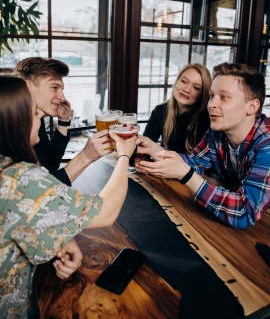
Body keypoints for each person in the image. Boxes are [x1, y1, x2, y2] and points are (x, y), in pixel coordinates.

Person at [0, 74, 136, 318]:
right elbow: (105, 212)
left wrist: (61, 237)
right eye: (33, 113)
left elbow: (21, 219)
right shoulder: (20, 179)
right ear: (13, 122)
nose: (40, 116)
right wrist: (124, 155)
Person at [135, 62, 270, 229]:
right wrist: (154, 150)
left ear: (252, 106)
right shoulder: (217, 133)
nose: (212, 104)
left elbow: (244, 212)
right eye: (212, 96)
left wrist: (187, 176)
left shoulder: (267, 146)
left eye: (224, 97)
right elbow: (192, 162)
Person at [14, 57, 114, 186]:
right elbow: (35, 191)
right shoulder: (11, 127)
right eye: (54, 87)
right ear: (28, 86)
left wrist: (63, 121)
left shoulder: (35, 120)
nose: (62, 97)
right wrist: (85, 157)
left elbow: (50, 164)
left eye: (62, 90)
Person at [143, 63, 212, 153]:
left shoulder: (207, 118)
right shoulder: (160, 111)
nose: (186, 89)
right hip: (163, 164)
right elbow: (145, 145)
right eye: (183, 81)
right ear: (177, 81)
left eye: (196, 87)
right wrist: (141, 157)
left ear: (202, 94)